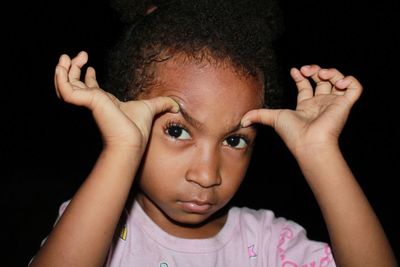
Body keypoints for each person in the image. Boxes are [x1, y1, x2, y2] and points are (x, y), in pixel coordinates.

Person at [30, 0, 397, 266]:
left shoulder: (269, 245)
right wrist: (122, 147)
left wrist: (320, 152)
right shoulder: (97, 227)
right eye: (178, 130)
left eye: (235, 140)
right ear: (130, 117)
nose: (207, 175)